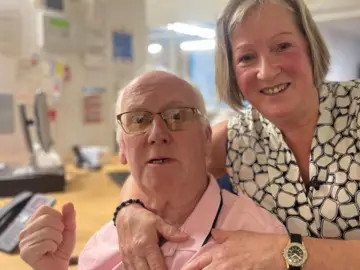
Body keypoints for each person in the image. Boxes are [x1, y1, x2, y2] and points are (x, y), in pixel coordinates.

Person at [115, 1, 360, 269]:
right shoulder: (236, 137)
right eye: (247, 57)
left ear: (309, 47)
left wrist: (285, 253)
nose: (267, 70)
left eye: (282, 46)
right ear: (232, 72)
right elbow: (159, 163)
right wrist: (130, 210)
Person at [18, 71, 287, 270]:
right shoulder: (102, 246)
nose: (157, 134)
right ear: (122, 147)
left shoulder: (262, 244)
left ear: (207, 138)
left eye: (178, 116)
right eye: (139, 120)